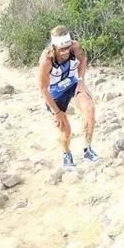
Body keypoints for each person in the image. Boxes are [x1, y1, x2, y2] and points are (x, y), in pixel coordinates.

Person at [38, 26, 99, 168]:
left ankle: (87, 149)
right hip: (55, 94)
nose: (65, 52)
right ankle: (66, 154)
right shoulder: (46, 60)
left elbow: (83, 59)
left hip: (72, 84)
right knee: (66, 131)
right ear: (54, 47)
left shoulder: (74, 47)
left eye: (67, 47)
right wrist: (57, 112)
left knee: (89, 109)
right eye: (61, 49)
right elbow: (43, 88)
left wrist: (81, 80)